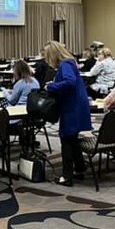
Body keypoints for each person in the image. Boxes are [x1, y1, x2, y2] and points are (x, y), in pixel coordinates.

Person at [44, 40, 91, 187]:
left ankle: (67, 176)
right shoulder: (70, 63)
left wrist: (51, 86)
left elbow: (70, 81)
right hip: (77, 103)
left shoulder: (64, 65)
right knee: (72, 138)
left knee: (66, 139)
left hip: (72, 106)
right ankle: (80, 168)